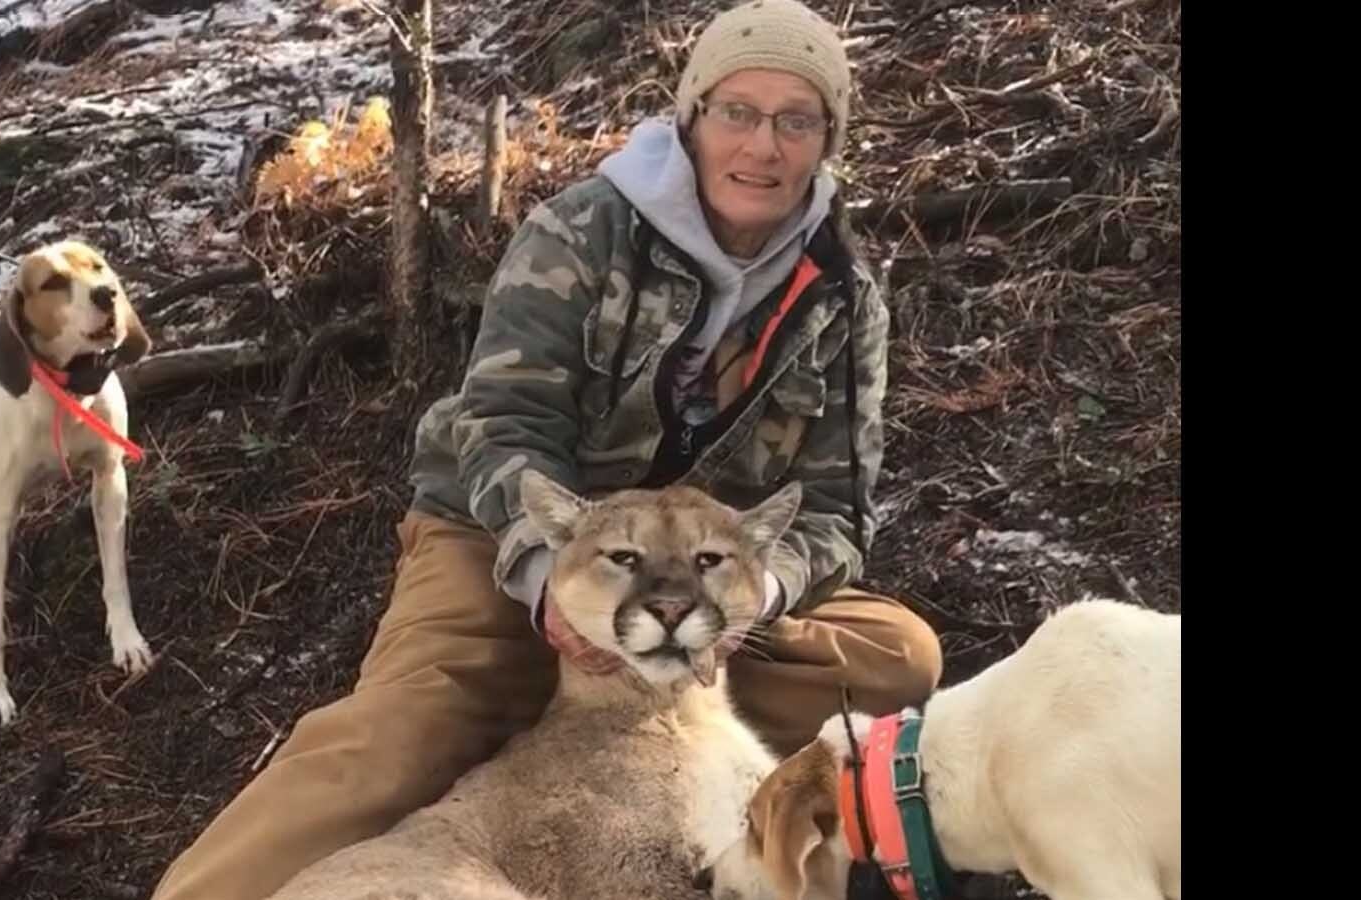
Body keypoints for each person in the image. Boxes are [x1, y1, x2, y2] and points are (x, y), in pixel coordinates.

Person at [151, 2, 941, 898]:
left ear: (827, 138)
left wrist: (761, 591)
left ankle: (631, 728)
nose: (763, 147)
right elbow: (500, 429)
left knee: (897, 655)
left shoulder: (843, 295)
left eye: (797, 121)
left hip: (696, 576)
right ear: (692, 119)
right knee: (395, 740)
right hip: (507, 544)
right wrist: (546, 586)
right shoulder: (581, 233)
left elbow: (838, 507)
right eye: (738, 113)